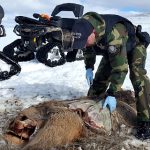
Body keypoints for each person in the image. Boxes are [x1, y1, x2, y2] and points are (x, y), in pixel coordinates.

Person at [71, 12, 150, 140]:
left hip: (134, 45)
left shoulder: (114, 34)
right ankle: (92, 102)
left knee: (137, 76)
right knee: (100, 77)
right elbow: (88, 49)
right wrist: (89, 67)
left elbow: (120, 69)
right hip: (113, 48)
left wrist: (112, 93)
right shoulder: (84, 27)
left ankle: (146, 121)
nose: (83, 44)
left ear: (93, 33)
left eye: (84, 41)